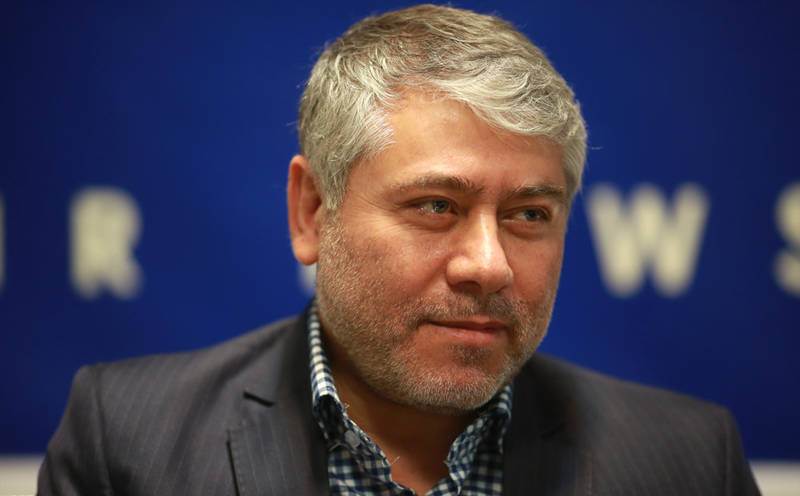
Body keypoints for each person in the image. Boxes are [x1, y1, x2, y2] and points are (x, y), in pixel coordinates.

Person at [38, 4, 760, 495]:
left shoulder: (689, 460)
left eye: (528, 214)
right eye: (437, 206)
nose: (489, 265)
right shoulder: (128, 442)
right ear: (312, 211)